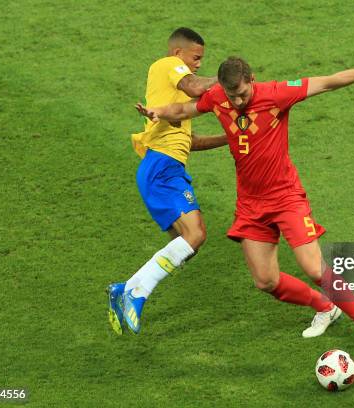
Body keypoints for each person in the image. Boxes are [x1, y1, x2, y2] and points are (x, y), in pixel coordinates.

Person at [135, 43, 354, 354]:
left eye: (241, 94)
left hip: (285, 197)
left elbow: (328, 80)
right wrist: (158, 112)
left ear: (252, 79)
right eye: (230, 95)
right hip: (250, 205)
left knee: (315, 268)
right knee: (265, 280)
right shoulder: (218, 97)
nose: (236, 101)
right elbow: (183, 110)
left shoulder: (277, 94)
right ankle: (326, 308)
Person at [107, 27, 228, 335]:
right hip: (162, 167)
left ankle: (126, 288)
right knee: (195, 235)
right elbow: (194, 86)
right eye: (196, 57)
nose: (198, 64)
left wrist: (230, 137)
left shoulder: (171, 99)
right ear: (178, 54)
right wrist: (228, 76)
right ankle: (137, 293)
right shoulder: (167, 66)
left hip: (164, 167)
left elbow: (190, 141)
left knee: (188, 243)